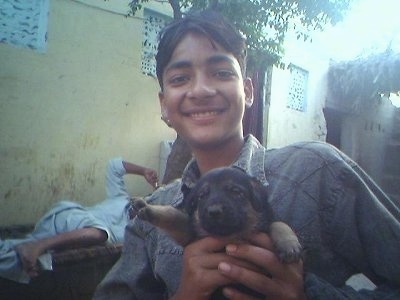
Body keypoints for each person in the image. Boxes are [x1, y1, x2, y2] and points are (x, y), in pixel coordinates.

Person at [93, 10, 400, 300]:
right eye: (180, 79)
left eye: (221, 72)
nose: (200, 90)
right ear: (164, 103)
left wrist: (310, 293)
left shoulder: (317, 172)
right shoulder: (150, 215)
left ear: (249, 91)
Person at [0, 157, 158, 284]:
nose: (144, 203)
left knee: (12, 254)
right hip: (66, 216)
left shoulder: (130, 229)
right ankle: (35, 246)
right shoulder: (121, 198)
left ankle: (33, 246)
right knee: (99, 233)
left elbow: (100, 236)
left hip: (70, 234)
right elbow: (114, 165)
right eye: (149, 198)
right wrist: (144, 170)